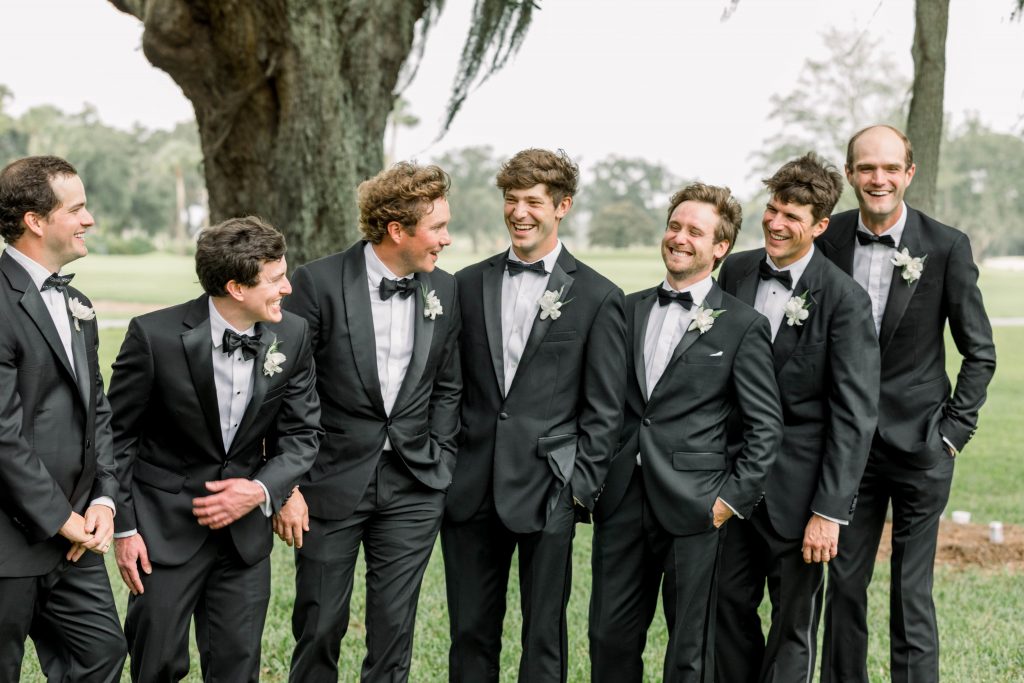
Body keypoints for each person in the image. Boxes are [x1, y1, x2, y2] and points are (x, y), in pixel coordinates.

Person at [817, 125, 996, 683]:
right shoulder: (826, 239)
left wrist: (952, 433)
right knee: (844, 584)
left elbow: (979, 351)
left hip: (922, 445)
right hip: (846, 449)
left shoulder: (945, 246)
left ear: (909, 174)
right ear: (850, 174)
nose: (880, 178)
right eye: (868, 167)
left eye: (891, 168)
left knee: (910, 591)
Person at [108, 215, 322, 682]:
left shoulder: (293, 335)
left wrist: (261, 491)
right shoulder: (154, 337)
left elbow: (302, 435)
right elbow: (117, 437)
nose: (287, 288)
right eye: (276, 279)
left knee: (236, 668)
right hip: (162, 533)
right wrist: (125, 530)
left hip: (244, 540)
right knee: (156, 665)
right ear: (236, 288)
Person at [442, 148, 627, 682]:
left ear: (562, 206)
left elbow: (605, 409)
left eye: (533, 202)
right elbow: (448, 386)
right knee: (469, 632)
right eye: (510, 199)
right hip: (471, 486)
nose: (518, 212)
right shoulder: (465, 284)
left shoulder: (597, 296)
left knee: (543, 637)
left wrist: (577, 488)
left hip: (550, 490)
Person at [588, 181, 782, 683]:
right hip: (622, 499)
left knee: (689, 650)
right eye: (674, 226)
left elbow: (765, 426)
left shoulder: (742, 325)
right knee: (608, 638)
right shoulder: (625, 308)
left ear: (720, 247)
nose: (679, 238)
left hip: (696, 507)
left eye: (695, 231)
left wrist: (728, 501)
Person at [281, 162, 461, 682]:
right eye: (438, 227)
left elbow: (448, 385)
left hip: (414, 483)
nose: (447, 239)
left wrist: (441, 459)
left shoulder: (445, 290)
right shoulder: (317, 282)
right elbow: (289, 386)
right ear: (397, 230)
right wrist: (289, 482)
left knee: (394, 631)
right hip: (329, 480)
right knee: (320, 625)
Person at [714, 152, 879, 682]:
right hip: (731, 483)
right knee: (724, 611)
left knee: (793, 627)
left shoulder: (845, 300)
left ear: (821, 225)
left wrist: (829, 512)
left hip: (800, 496)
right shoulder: (735, 270)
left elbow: (854, 415)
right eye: (773, 209)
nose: (776, 223)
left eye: (792, 216)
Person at [0, 155, 127, 682]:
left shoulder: (77, 302)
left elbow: (97, 408)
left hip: (76, 540)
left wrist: (102, 498)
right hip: (9, 539)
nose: (88, 219)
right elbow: (2, 434)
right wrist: (58, 517)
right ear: (35, 220)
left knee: (102, 654)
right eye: (76, 209)